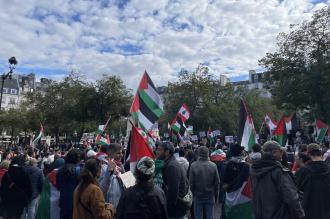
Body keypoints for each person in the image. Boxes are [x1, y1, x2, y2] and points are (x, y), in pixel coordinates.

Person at [251, 141, 305, 219]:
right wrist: (300, 215)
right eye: (281, 151)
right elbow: (291, 197)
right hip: (280, 215)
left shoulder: (254, 169)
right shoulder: (278, 171)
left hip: (260, 214)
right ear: (274, 152)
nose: (283, 154)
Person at [295, 143, 330, 219]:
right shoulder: (328, 168)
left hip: (310, 208)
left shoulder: (303, 170)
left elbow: (296, 189)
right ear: (320, 153)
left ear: (308, 154)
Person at [157, 141, 189, 219]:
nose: (157, 152)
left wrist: (167, 210)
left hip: (175, 212)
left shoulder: (172, 166)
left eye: (160, 150)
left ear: (167, 152)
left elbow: (173, 191)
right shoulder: (170, 163)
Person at [221, 144, 254, 219]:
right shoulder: (245, 165)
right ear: (240, 153)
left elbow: (223, 180)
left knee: (228, 212)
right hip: (241, 194)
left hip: (229, 193)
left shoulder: (227, 164)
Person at [189, 146, 219, 219]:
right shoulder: (213, 165)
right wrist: (216, 196)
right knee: (209, 216)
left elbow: (191, 183)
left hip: (197, 195)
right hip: (209, 195)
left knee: (198, 216)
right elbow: (217, 183)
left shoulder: (193, 165)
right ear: (208, 153)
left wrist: (192, 196)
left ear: (198, 154)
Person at [0, 154, 32, 219]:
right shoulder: (24, 173)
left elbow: (3, 188)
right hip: (19, 201)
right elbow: (29, 189)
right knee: (17, 216)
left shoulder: (7, 173)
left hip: (8, 201)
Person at [56, 149, 81, 219]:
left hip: (63, 202)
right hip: (75, 203)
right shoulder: (78, 170)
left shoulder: (59, 170)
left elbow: (58, 186)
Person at [99, 143, 125, 209]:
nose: (121, 155)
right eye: (118, 153)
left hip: (119, 209)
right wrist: (110, 172)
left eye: (121, 153)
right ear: (110, 154)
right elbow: (102, 190)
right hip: (108, 210)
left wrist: (123, 173)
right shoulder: (104, 169)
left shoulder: (120, 167)